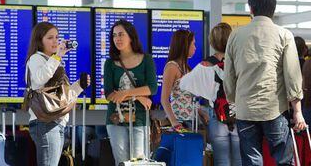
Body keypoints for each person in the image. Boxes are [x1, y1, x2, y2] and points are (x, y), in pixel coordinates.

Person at [224, 0, 306, 165]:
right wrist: (297, 111)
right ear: (274, 10)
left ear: (251, 9)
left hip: (245, 110)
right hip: (274, 110)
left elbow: (229, 76)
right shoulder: (284, 35)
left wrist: (233, 100)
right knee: (283, 160)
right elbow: (292, 75)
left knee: (252, 161)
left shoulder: (235, 35)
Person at [26, 22, 90, 166]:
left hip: (56, 123)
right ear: (39, 40)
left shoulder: (53, 61)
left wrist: (80, 85)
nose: (55, 41)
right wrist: (58, 56)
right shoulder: (36, 58)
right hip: (45, 123)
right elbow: (38, 80)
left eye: (57, 37)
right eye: (50, 37)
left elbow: (61, 98)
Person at [180, 23, 241, 166]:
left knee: (221, 161)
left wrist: (206, 90)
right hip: (239, 116)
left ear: (212, 42)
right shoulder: (240, 62)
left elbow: (183, 84)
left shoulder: (205, 66)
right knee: (239, 161)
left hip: (217, 116)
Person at [103, 19, 157, 166]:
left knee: (139, 162)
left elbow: (152, 88)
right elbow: (109, 94)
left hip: (139, 117)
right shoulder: (109, 63)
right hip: (116, 119)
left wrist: (126, 93)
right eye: (114, 35)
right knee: (121, 161)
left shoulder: (146, 59)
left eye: (121, 34)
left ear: (131, 36)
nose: (117, 39)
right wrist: (138, 95)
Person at [161, 29, 196, 130]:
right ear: (185, 45)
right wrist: (174, 122)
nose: (195, 48)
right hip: (178, 121)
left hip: (191, 120)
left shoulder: (187, 68)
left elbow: (189, 97)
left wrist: (201, 113)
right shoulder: (172, 67)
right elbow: (164, 99)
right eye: (193, 44)